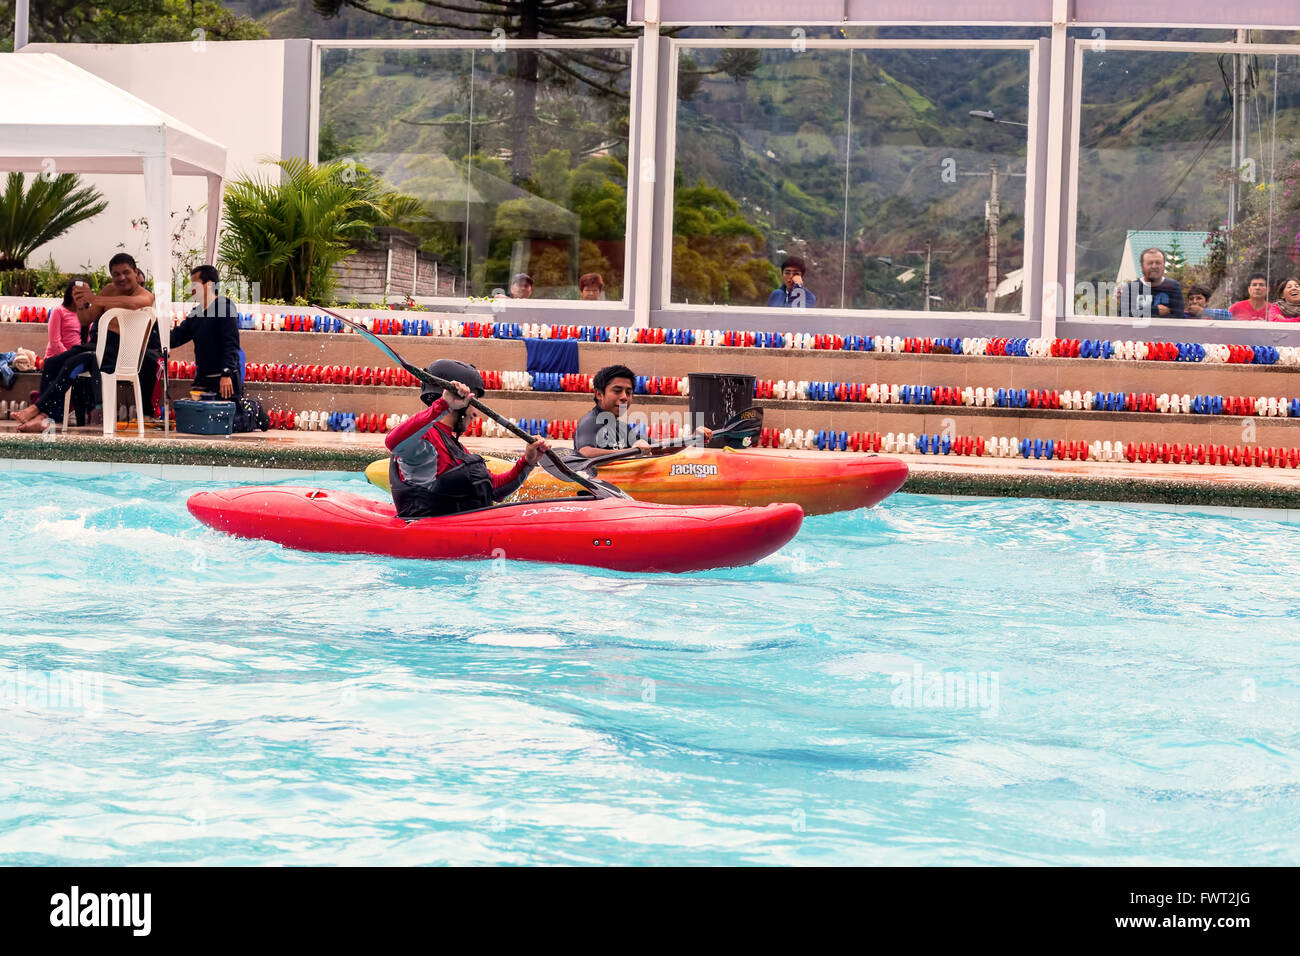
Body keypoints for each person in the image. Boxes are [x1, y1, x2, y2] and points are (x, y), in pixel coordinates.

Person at [385, 359, 549, 519]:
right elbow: (393, 441)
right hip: (431, 536)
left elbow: (495, 490)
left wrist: (527, 462)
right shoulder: (424, 442)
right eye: (474, 402)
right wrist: (442, 405)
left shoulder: (457, 448)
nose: (476, 413)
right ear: (459, 402)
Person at [573, 364, 711, 458]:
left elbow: (659, 448)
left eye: (628, 392)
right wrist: (633, 451)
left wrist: (692, 438)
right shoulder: (590, 421)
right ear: (599, 394)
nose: (624, 397)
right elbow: (585, 452)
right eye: (617, 391)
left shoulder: (621, 428)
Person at [169, 265, 242, 398]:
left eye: (194, 285)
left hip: (224, 380)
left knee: (225, 417)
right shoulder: (197, 313)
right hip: (203, 381)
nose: (191, 290)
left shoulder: (224, 308)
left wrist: (226, 373)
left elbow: (231, 344)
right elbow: (175, 338)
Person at [1117, 248, 1183, 318]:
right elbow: (1123, 316)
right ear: (1142, 266)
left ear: (1164, 266)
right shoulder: (1130, 288)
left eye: (1158, 263)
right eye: (1150, 263)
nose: (1154, 266)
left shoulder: (1173, 287)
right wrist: (1155, 310)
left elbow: (1179, 317)